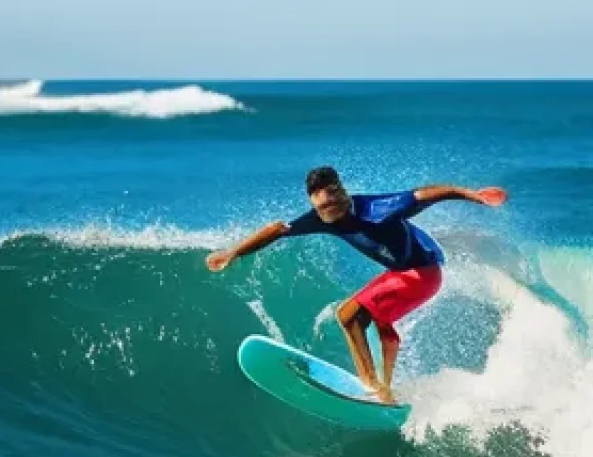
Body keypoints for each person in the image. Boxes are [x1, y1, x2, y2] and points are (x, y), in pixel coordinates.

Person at [206, 166, 507, 403]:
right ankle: (385, 389)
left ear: (342, 193)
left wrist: (473, 195)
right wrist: (234, 253)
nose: (329, 212)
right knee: (370, 320)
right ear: (315, 203)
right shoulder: (321, 217)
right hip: (403, 273)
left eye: (334, 201)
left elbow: (429, 194)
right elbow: (278, 229)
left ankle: (372, 386)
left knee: (348, 314)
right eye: (322, 206)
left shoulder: (379, 209)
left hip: (421, 274)